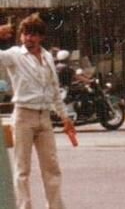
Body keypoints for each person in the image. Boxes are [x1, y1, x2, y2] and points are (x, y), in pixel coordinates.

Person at [0, 14, 76, 209]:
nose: (29, 38)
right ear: (21, 36)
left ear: (40, 37)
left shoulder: (48, 57)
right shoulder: (14, 55)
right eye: (25, 34)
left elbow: (54, 89)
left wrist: (64, 117)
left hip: (44, 118)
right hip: (23, 116)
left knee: (51, 167)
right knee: (22, 169)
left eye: (33, 34)